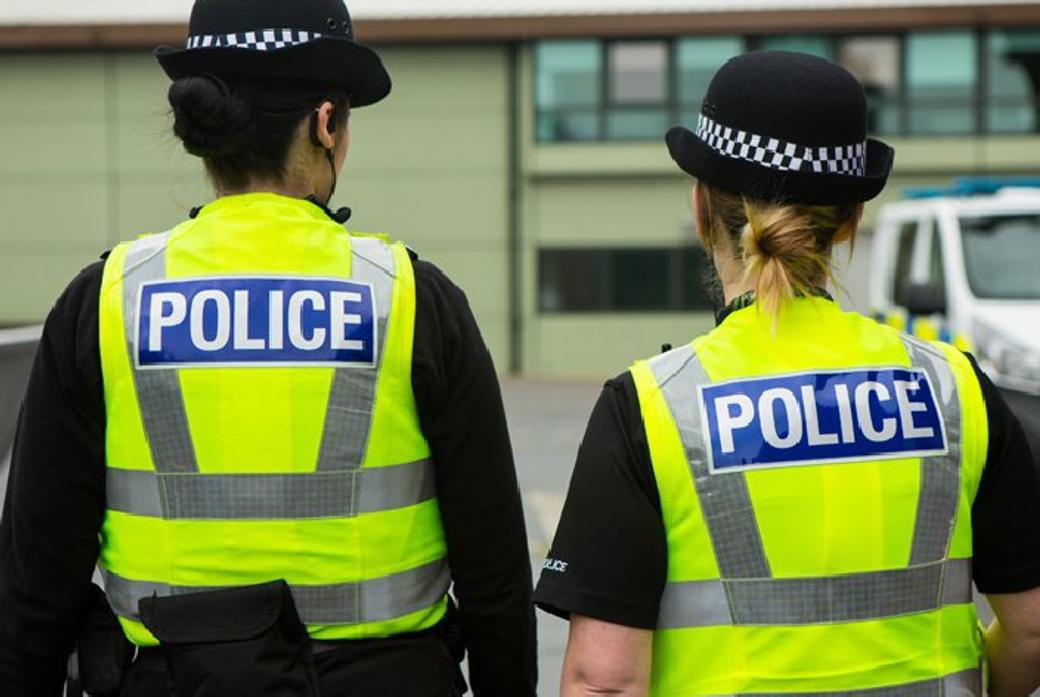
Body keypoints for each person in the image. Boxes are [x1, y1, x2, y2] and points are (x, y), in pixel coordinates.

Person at [0, 1, 537, 695]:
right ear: (325, 123)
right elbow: (494, 579)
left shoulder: (104, 303)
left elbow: (32, 592)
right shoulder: (411, 300)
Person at [534, 51, 1040, 697]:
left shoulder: (656, 406)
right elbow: (1031, 632)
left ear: (700, 208)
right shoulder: (954, 388)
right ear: (852, 220)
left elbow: (603, 679)